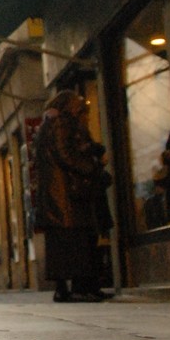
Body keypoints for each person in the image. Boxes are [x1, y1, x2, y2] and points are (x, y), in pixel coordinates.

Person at [34, 90, 111, 303]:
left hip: (58, 195)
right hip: (66, 195)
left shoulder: (49, 124)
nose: (81, 109)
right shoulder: (61, 123)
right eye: (78, 105)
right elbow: (66, 155)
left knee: (64, 245)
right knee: (76, 242)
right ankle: (80, 288)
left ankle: (68, 289)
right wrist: (91, 167)